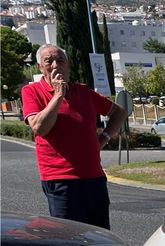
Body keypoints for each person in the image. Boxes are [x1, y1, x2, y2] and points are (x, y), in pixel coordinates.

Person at [21, 44, 127, 230]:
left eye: (60, 60)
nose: (55, 65)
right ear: (40, 67)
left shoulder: (84, 92)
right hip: (60, 180)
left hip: (93, 177)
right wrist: (58, 95)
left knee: (100, 235)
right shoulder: (31, 92)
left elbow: (119, 113)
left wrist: (104, 138)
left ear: (68, 65)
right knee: (68, 237)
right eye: (49, 61)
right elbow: (39, 127)